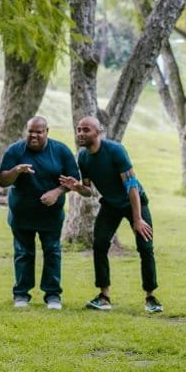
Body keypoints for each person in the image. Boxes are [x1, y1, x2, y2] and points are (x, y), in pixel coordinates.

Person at [59, 117, 163, 314]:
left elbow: (131, 185)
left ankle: (151, 297)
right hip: (110, 204)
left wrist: (137, 219)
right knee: (99, 244)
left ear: (98, 132)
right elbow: (89, 191)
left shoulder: (115, 150)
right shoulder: (83, 157)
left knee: (145, 247)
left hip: (135, 202)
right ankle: (104, 296)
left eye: (86, 130)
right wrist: (78, 187)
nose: (81, 133)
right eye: (79, 130)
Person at [0, 116, 80, 310]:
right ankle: (21, 295)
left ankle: (52, 296)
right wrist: (16, 170)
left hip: (50, 214)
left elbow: (73, 180)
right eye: (30, 131)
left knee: (52, 251)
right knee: (23, 252)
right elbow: (2, 180)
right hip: (21, 213)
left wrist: (57, 192)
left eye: (39, 132)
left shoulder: (60, 151)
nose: (34, 135)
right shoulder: (15, 150)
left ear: (47, 132)